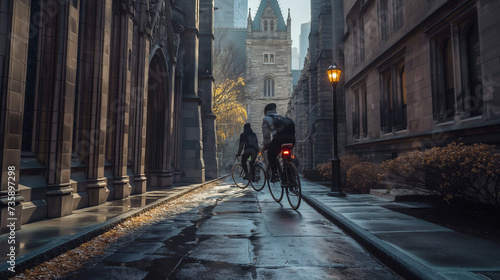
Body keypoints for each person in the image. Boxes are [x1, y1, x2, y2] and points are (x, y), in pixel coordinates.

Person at [261, 103, 296, 182]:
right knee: (288, 157)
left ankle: (275, 174)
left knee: (271, 155)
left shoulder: (266, 119)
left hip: (279, 139)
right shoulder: (281, 117)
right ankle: (291, 176)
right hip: (291, 139)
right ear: (275, 110)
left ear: (266, 111)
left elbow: (266, 135)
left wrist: (267, 145)